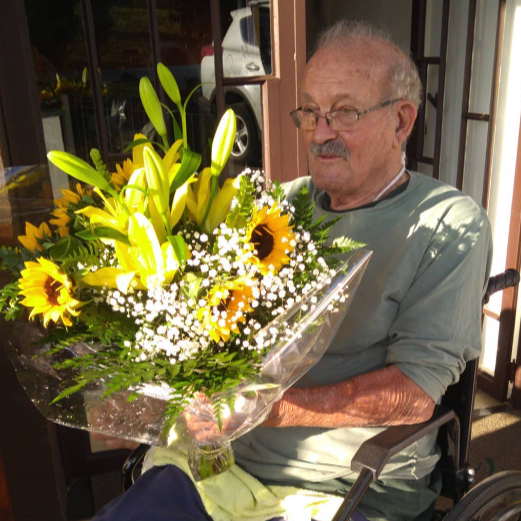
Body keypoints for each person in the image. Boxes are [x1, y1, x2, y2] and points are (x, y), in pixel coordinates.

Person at [93, 21, 492, 521]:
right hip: (218, 465)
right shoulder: (279, 206)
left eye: (344, 112)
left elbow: (413, 394)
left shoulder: (447, 224)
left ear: (401, 121)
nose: (320, 132)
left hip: (346, 487)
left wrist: (270, 407)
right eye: (310, 112)